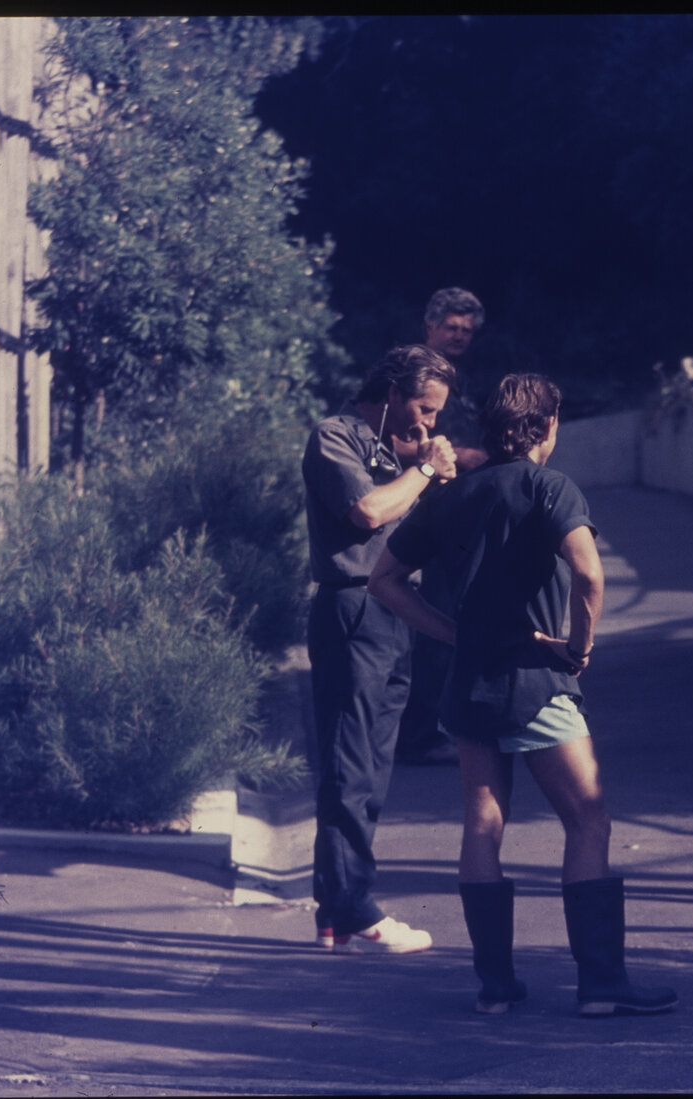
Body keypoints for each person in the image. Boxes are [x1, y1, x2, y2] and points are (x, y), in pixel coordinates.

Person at [369, 373, 678, 1017]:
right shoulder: (548, 486)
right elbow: (589, 573)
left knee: (483, 824)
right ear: (548, 427)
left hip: (470, 684)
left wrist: (453, 634)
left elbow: (386, 580)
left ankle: (496, 988)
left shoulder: (450, 495)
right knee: (588, 819)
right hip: (537, 681)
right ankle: (599, 984)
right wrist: (579, 646)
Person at [301, 344, 459, 953]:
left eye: (437, 414)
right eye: (423, 407)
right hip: (353, 604)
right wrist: (422, 471)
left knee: (373, 765)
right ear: (392, 392)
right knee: (350, 762)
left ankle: (337, 908)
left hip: (396, 609)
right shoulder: (335, 435)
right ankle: (354, 906)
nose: (428, 424)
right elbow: (368, 511)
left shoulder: (396, 449)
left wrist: (428, 471)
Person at [395, 287, 489, 766]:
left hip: (457, 515)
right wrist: (458, 457)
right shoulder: (414, 376)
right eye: (451, 327)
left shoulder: (455, 378)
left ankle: (434, 726)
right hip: (427, 515)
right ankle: (419, 734)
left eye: (466, 330)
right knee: (434, 626)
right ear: (429, 326)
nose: (459, 336)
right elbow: (387, 441)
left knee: (448, 623)